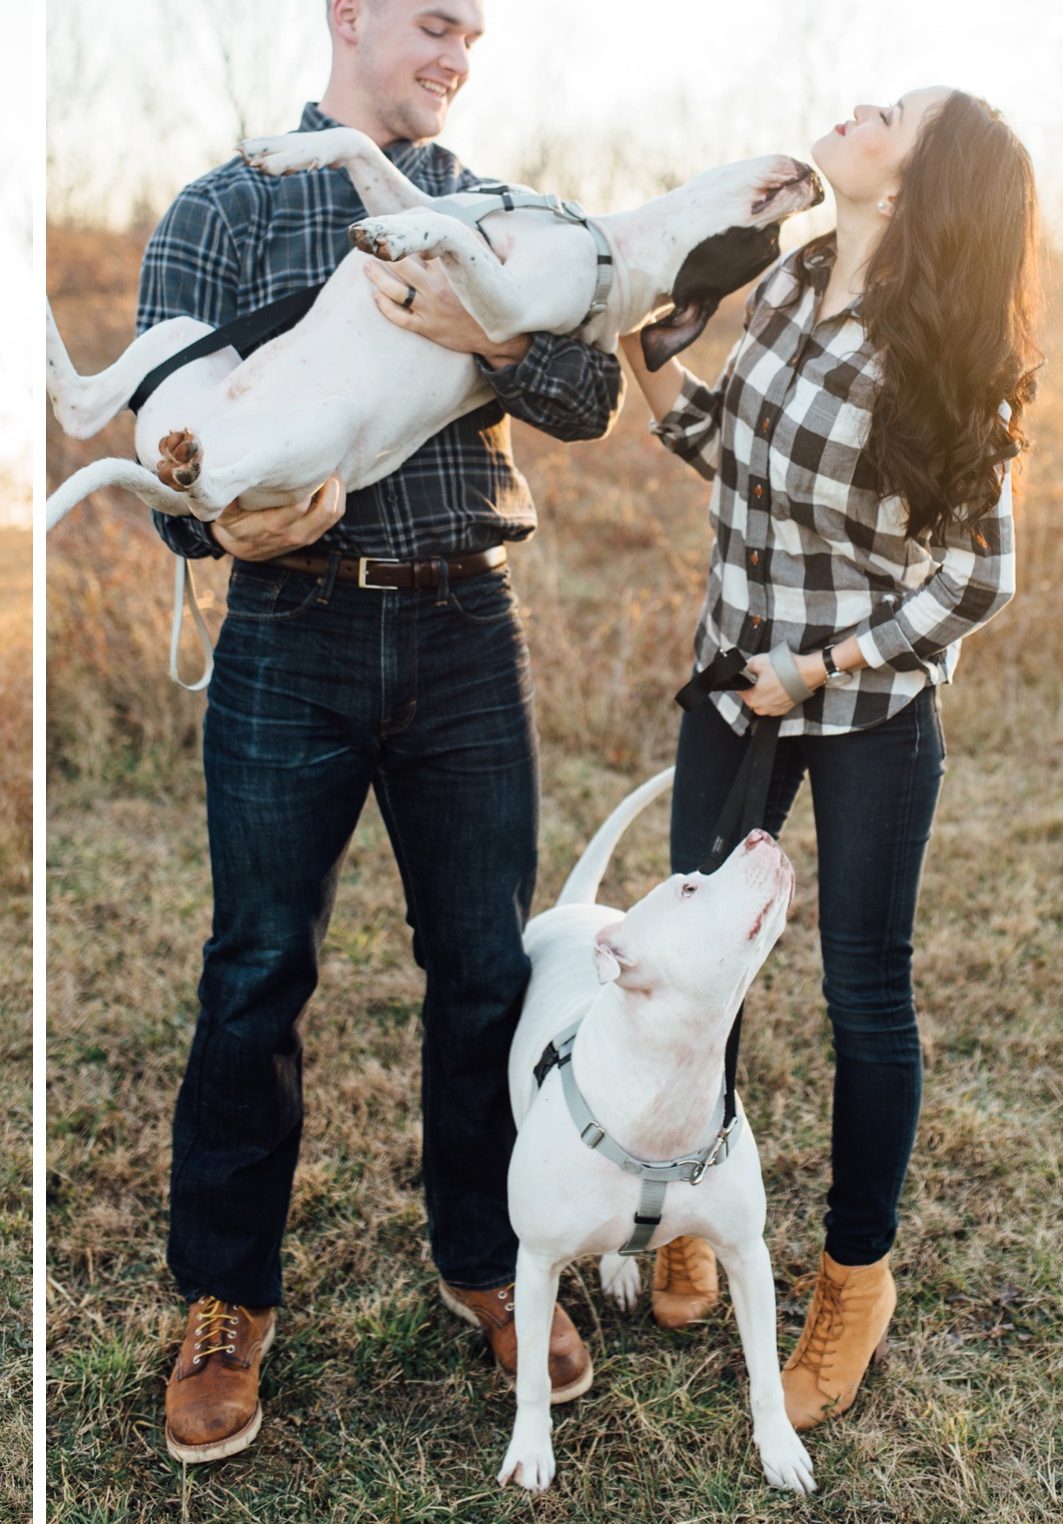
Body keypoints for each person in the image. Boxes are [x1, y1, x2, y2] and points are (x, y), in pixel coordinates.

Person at [140, 0, 625, 1463]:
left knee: (484, 971)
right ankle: (227, 1298)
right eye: (432, 22)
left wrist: (483, 326)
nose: (457, 55)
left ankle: (489, 1260)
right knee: (255, 971)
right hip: (289, 637)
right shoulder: (220, 212)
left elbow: (590, 393)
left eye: (473, 33)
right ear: (346, 14)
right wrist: (221, 520)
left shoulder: (499, 213)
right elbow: (164, 468)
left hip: (470, 629)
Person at [620, 87, 1037, 1429]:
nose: (862, 110)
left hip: (862, 708)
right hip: (735, 680)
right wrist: (652, 361)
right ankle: (684, 1208)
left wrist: (825, 664)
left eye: (893, 117)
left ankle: (855, 1275)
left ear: (914, 189)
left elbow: (983, 573)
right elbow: (740, 459)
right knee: (691, 971)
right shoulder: (793, 276)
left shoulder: (943, 349)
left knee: (865, 994)